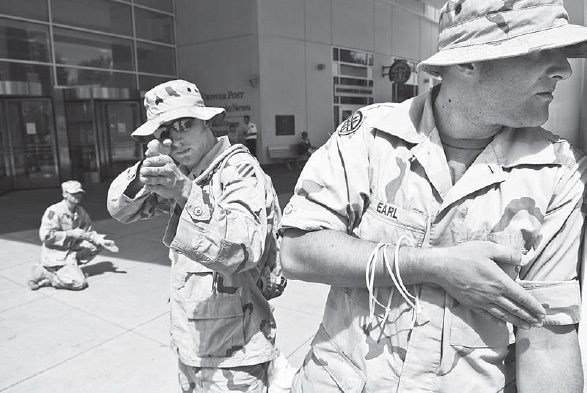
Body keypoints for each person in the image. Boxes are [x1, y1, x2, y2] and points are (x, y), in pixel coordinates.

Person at [279, 1, 587, 392]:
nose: (564, 69)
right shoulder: (371, 136)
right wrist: (432, 266)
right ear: (468, 62)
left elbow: (546, 339)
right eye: (540, 51)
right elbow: (297, 251)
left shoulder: (560, 172)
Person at [107, 79, 285, 392]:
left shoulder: (238, 169)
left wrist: (185, 192)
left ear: (205, 123)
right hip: (191, 346)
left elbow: (242, 249)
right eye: (164, 132)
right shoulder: (183, 172)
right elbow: (119, 209)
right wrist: (143, 171)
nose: (175, 140)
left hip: (236, 354)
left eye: (183, 125)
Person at [29, 180, 118, 291]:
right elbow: (45, 236)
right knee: (79, 284)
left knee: (96, 244)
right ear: (65, 194)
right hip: (56, 255)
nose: (78, 195)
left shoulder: (80, 211)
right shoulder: (53, 211)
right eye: (74, 193)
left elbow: (88, 231)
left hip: (70, 252)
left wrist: (100, 240)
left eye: (79, 193)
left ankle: (70, 268)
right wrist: (70, 234)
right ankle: (48, 273)